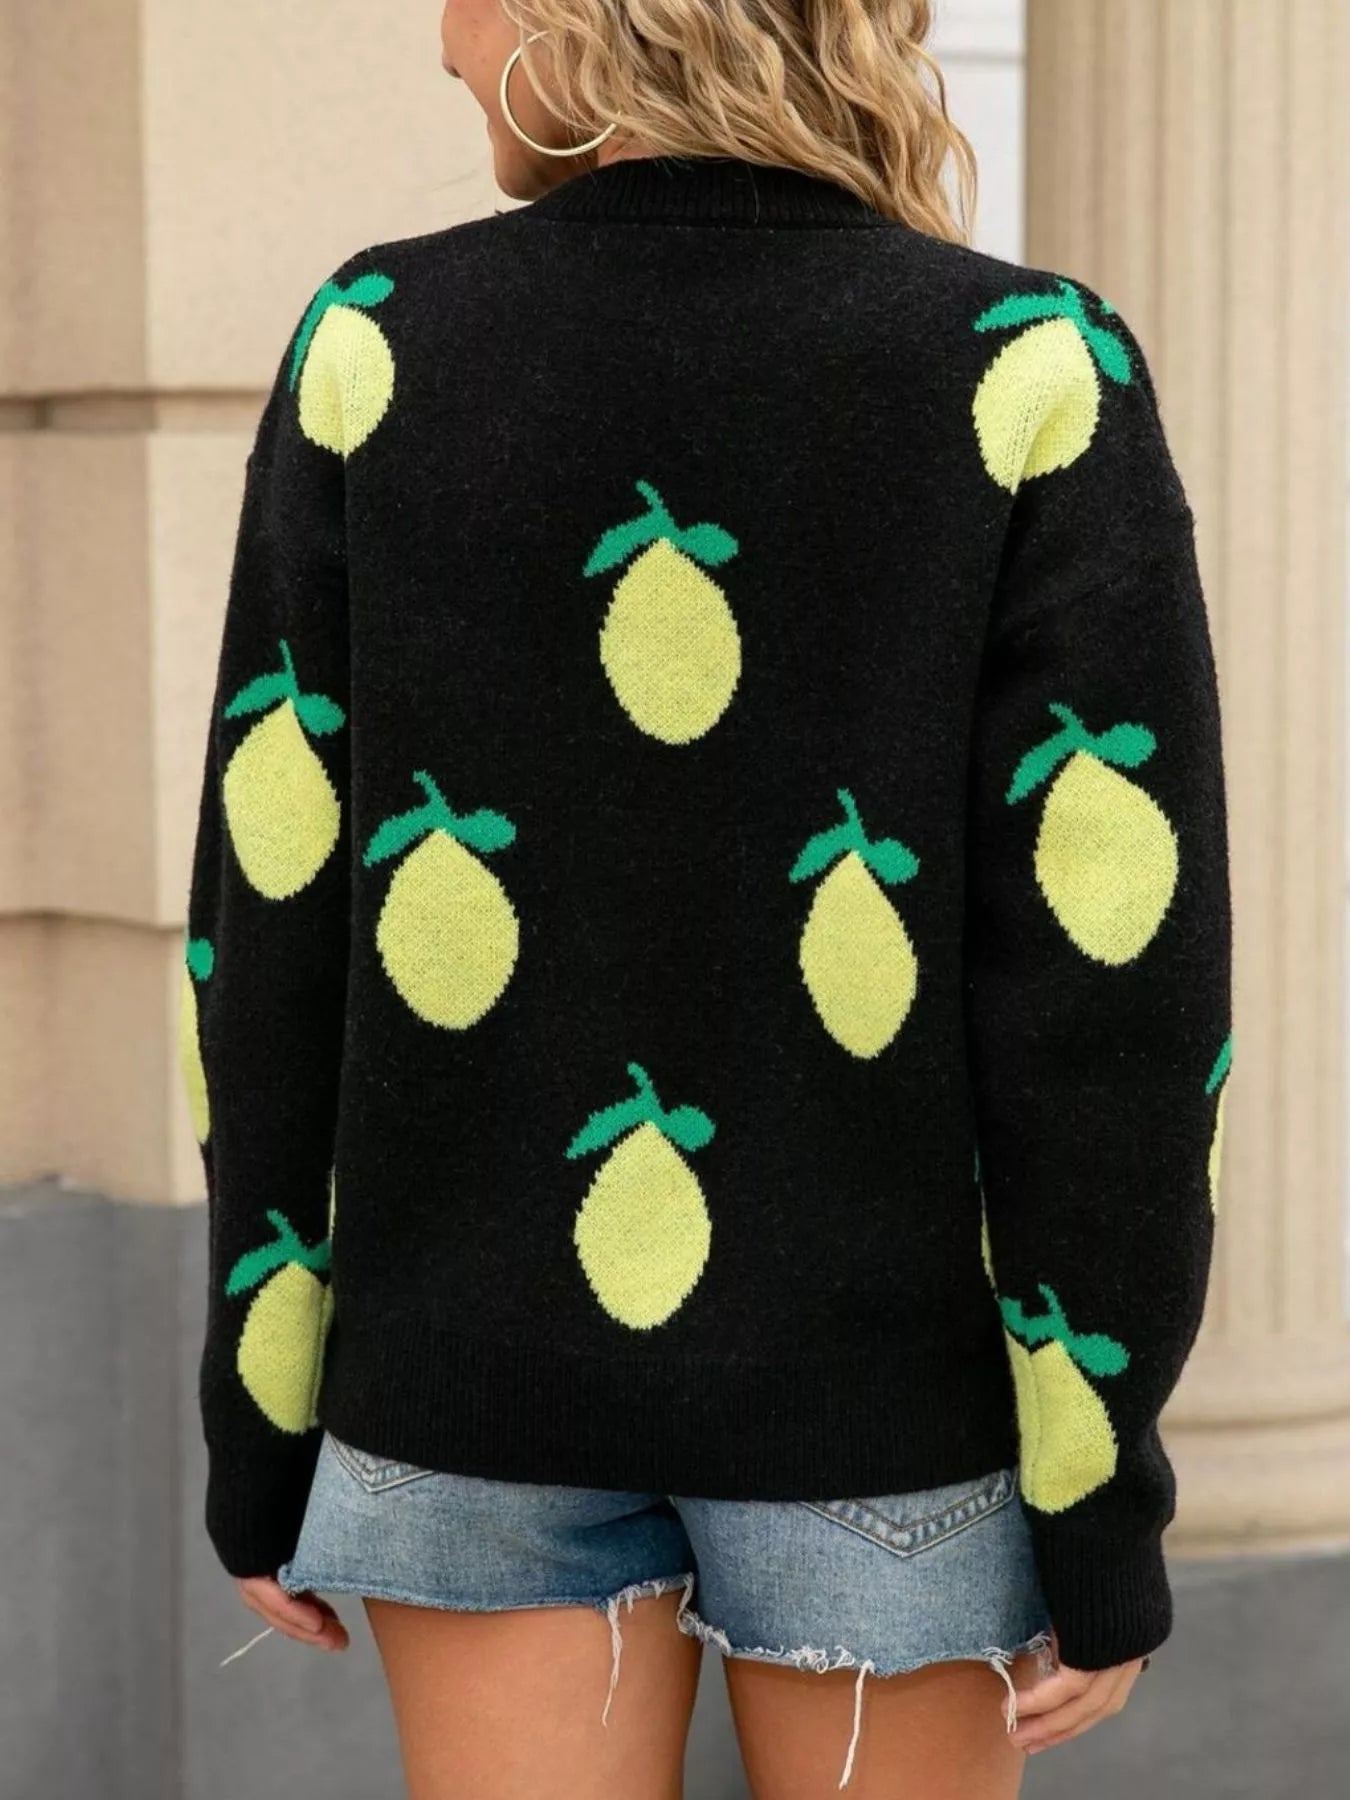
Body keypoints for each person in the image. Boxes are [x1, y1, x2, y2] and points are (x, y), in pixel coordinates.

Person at [177, 3, 1233, 1795]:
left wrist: (262, 1413)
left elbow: (268, 925)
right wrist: (1095, 1496)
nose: (442, 40)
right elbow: (1107, 991)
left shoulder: (377, 340)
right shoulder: (1026, 369)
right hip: (888, 1414)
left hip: (465, 1389)